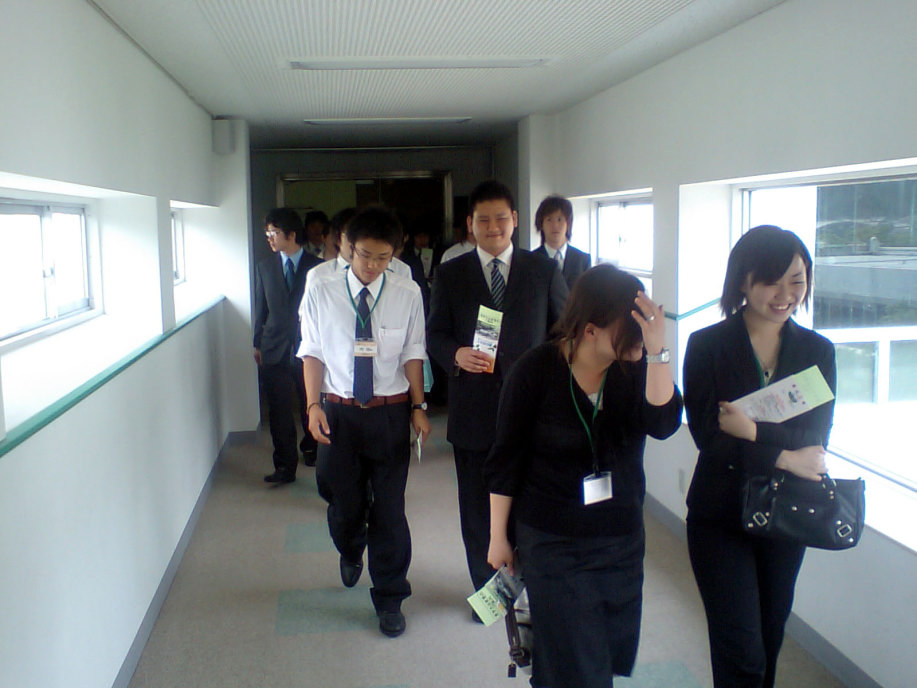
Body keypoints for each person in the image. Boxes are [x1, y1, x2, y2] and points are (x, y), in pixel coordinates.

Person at [485, 264, 683, 688]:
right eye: (628, 329)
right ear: (590, 330)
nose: (637, 337)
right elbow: (506, 459)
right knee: (580, 661)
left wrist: (658, 352)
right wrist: (498, 536)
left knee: (589, 654)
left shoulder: (636, 366)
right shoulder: (535, 371)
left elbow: (663, 423)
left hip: (619, 539)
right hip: (553, 539)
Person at [683, 225, 837, 688]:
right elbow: (710, 438)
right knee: (741, 648)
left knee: (768, 641)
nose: (786, 294)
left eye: (797, 280)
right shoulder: (707, 345)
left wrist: (751, 432)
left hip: (786, 517)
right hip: (719, 515)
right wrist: (785, 456)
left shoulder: (817, 351)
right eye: (771, 281)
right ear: (742, 281)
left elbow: (815, 438)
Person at [427, 179, 568, 606]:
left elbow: (565, 332)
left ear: (516, 220)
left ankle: (530, 582)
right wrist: (456, 354)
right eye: (483, 219)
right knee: (476, 507)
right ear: (470, 223)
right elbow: (435, 334)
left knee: (531, 502)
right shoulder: (451, 273)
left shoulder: (543, 270)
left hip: (533, 412)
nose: (493, 227)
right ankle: (488, 592)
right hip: (473, 410)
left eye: (501, 218)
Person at [300, 205, 431, 639]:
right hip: (337, 411)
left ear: (395, 254)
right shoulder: (320, 286)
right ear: (346, 247)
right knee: (343, 502)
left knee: (390, 511)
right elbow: (312, 350)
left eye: (383, 257)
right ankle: (351, 545)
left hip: (389, 412)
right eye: (364, 255)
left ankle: (391, 596)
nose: (373, 266)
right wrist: (312, 405)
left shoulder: (407, 292)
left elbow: (413, 352)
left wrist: (419, 406)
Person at [253, 208, 322, 482]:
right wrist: (257, 343)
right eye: (268, 233)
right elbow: (261, 308)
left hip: (309, 349)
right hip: (274, 348)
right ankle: (284, 466)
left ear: (292, 234)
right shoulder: (265, 267)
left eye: (275, 233)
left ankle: (313, 448)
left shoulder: (317, 267)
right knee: (279, 410)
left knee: (311, 402)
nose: (269, 238)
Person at [532, 194, 591, 289]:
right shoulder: (531, 260)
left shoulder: (583, 260)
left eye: (560, 219)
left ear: (568, 224)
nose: (555, 225)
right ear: (541, 224)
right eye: (549, 220)